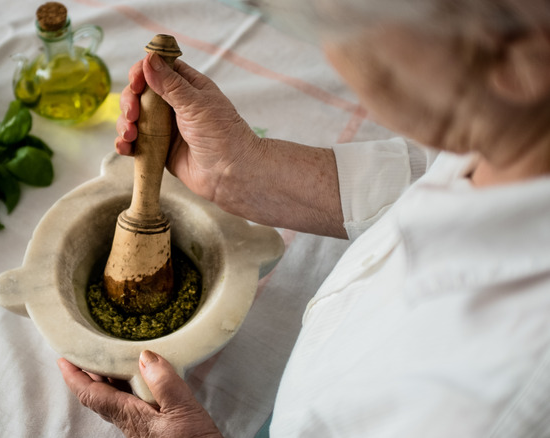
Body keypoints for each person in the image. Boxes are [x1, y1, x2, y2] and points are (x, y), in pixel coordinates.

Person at [58, 0, 550, 436]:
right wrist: (243, 170)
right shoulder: (516, 138)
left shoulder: (498, 399)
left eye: (339, 22)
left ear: (521, 59)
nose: (331, 50)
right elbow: (434, 173)